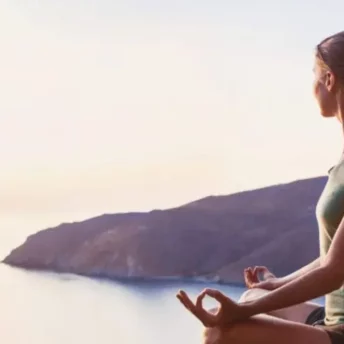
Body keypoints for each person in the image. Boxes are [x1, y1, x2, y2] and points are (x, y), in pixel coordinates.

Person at [176, 30, 344, 344]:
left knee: (221, 332)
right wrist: (276, 284)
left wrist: (237, 315)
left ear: (330, 80)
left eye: (315, 76)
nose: (313, 87)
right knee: (252, 298)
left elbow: (335, 270)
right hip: (331, 317)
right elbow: (335, 254)